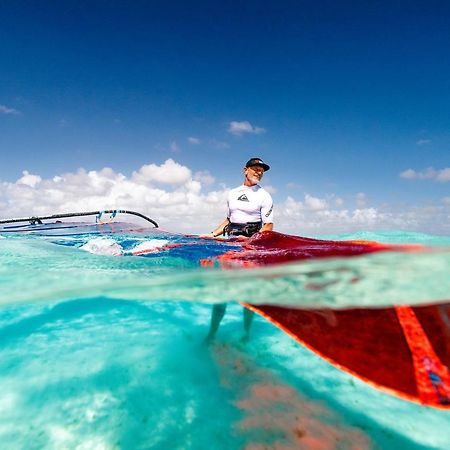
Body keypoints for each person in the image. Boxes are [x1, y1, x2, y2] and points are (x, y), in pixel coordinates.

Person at [204, 157, 274, 342]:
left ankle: (246, 333)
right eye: (255, 168)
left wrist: (251, 239)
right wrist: (212, 234)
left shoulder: (264, 195)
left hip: (250, 246)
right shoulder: (232, 193)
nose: (259, 172)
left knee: (248, 294)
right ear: (245, 170)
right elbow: (228, 220)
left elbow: (268, 226)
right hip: (230, 244)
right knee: (221, 292)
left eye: (262, 170)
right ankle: (211, 334)